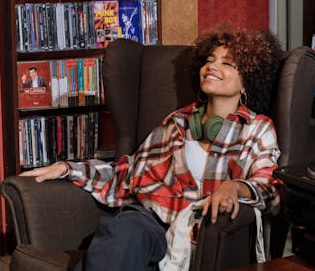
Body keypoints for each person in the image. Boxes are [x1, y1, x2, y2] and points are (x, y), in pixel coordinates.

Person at [20, 24, 283, 271]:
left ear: (247, 80)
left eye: (227, 63)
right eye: (210, 60)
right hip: (150, 221)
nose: (212, 67)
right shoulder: (177, 122)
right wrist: (68, 169)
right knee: (121, 234)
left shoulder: (257, 128)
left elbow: (271, 188)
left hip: (199, 232)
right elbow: (127, 172)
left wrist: (235, 186)